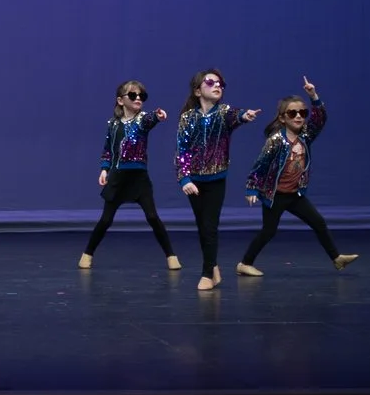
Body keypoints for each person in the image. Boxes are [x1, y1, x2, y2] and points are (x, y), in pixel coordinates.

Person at [238, 78, 357, 276]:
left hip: (295, 195)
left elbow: (320, 120)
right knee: (268, 232)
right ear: (283, 118)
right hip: (275, 196)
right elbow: (260, 166)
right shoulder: (275, 141)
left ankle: (337, 259)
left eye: (303, 113)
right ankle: (244, 264)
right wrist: (251, 189)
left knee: (318, 222)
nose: (299, 117)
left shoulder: (306, 136)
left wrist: (314, 96)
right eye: (293, 113)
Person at [175, 69, 264, 291]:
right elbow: (182, 150)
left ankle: (206, 273)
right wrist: (184, 178)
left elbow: (236, 115)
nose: (217, 86)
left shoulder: (224, 112)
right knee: (201, 227)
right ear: (198, 90)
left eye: (221, 83)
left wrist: (245, 115)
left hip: (216, 179)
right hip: (193, 181)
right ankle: (212, 265)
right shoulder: (187, 118)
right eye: (210, 82)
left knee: (210, 226)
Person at [80, 81, 176, 270]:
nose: (138, 98)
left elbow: (150, 120)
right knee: (106, 220)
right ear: (121, 100)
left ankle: (171, 255)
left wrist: (158, 116)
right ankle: (87, 254)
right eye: (133, 96)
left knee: (152, 217)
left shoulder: (142, 121)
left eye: (141, 96)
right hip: (118, 177)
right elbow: (108, 149)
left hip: (139, 178)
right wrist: (104, 169)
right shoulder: (113, 125)